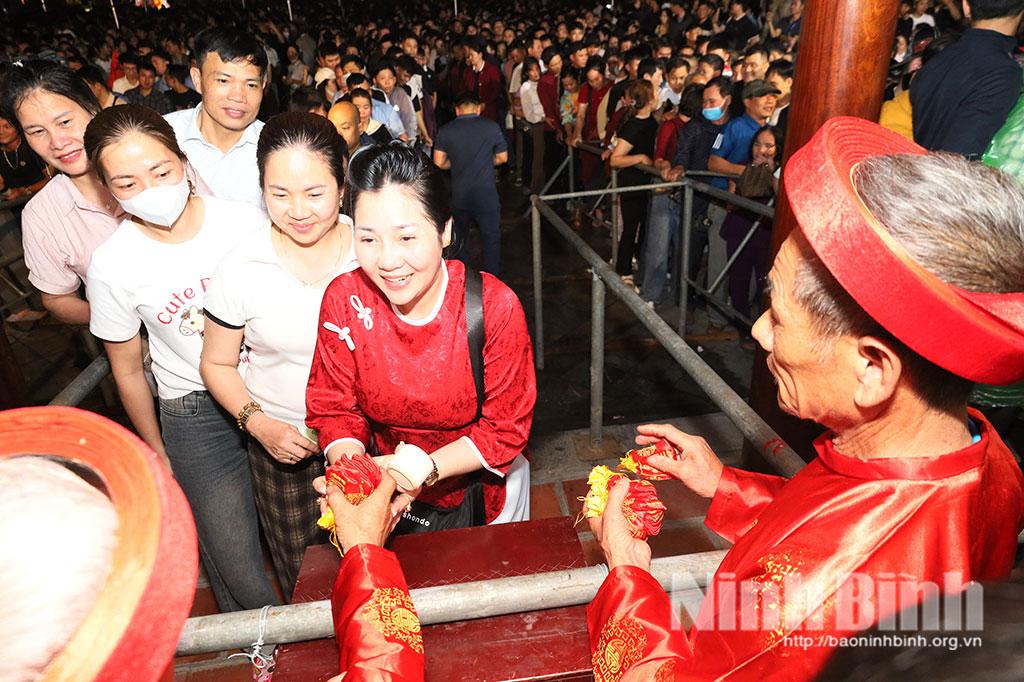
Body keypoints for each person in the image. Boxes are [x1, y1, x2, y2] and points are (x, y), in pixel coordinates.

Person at [585, 117, 1024, 680]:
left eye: (779, 315)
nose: (760, 332)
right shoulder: (984, 452)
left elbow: (827, 567)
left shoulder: (806, 612)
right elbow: (843, 525)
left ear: (872, 367)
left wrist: (627, 571)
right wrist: (725, 485)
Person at [83, 105, 278, 613]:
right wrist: (157, 451)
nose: (150, 189)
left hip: (269, 388)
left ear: (183, 162)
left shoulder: (244, 221)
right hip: (193, 414)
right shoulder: (110, 265)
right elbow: (127, 369)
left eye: (161, 172)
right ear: (108, 191)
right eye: (127, 183)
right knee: (232, 556)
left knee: (303, 537)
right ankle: (264, 651)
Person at [306, 143, 535, 533]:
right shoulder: (345, 300)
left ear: (445, 230)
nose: (388, 261)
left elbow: (505, 427)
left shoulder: (493, 307)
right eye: (368, 239)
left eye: (406, 238)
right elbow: (334, 407)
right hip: (387, 494)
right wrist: (353, 475)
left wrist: (424, 469)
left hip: (482, 495)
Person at [201, 113, 359, 597]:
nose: (298, 211)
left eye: (315, 193)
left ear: (342, 180)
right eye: (279, 194)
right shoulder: (240, 267)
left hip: (370, 441)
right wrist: (259, 424)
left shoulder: (373, 249)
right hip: (286, 447)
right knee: (305, 577)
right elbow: (217, 362)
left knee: (382, 566)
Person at [0, 62, 122, 325]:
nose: (56, 142)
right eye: (37, 131)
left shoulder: (156, 162)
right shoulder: (42, 215)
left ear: (92, 109)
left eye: (65, 122)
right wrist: (120, 319)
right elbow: (56, 299)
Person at [164, 28, 268, 209]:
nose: (238, 96)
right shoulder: (162, 137)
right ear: (197, 79)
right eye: (223, 81)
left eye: (251, 84)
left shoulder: (277, 146)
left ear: (263, 85)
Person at [910, 0, 1024, 157]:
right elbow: (961, 158)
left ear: (966, 7)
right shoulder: (1003, 72)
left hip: (926, 171)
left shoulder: (935, 62)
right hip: (952, 178)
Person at [433, 93, 509, 276]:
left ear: (457, 110)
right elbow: (502, 158)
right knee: (491, 240)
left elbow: (438, 163)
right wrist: (482, 161)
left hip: (460, 196)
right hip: (487, 196)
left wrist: (458, 162)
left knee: (460, 242)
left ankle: (463, 282)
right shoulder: (492, 127)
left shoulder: (446, 130)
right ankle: (492, 281)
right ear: (478, 108)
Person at [720, 125, 782, 322]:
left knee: (765, 281)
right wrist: (748, 175)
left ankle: (765, 325)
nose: (761, 150)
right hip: (740, 227)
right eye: (757, 144)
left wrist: (772, 172)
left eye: (768, 146)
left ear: (778, 148)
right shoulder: (742, 166)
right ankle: (741, 324)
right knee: (738, 279)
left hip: (765, 232)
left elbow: (783, 201)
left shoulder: (781, 171)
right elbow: (730, 203)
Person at [609, 80, 659, 281]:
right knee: (631, 227)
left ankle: (635, 259)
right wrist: (639, 158)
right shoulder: (634, 124)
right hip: (631, 181)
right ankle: (624, 269)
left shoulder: (650, 122)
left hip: (643, 181)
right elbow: (616, 159)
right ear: (648, 99)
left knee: (642, 225)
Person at [0, 114, 48, 201]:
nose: (1, 131)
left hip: (44, 197)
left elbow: (51, 178)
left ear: (18, 127)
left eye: (7, 126)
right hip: (13, 204)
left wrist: (24, 191)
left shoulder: (33, 145)